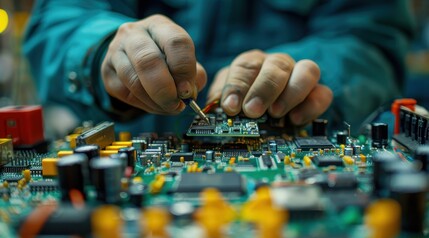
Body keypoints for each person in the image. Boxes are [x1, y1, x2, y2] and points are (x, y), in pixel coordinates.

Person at [23, 0, 414, 136]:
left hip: (294, 148)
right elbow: (56, 18)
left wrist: (306, 75)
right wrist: (100, 51)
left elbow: (372, 41)